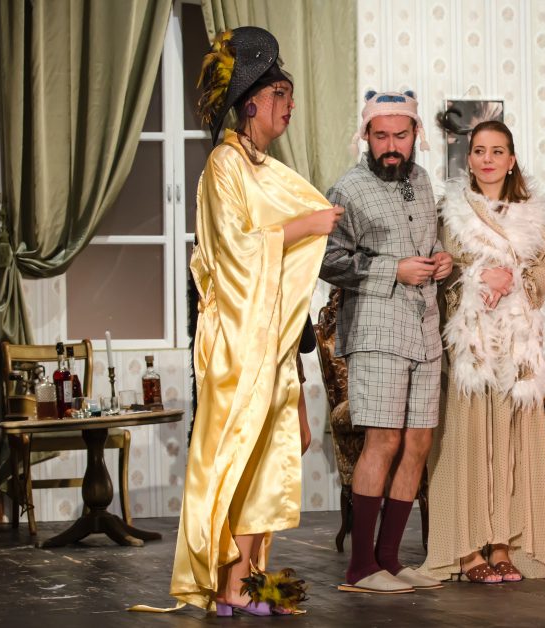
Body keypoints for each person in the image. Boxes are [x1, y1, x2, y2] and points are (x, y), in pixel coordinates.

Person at [160, 27, 342, 616]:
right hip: (237, 342)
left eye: (289, 94)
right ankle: (227, 583)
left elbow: (278, 268)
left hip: (271, 340)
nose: (290, 106)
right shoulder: (225, 165)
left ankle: (246, 578)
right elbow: (235, 250)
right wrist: (306, 226)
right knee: (238, 455)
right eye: (280, 94)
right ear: (251, 103)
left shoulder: (264, 168)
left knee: (269, 456)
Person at [320, 90, 453, 594]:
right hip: (377, 329)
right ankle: (361, 568)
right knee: (384, 440)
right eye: (381, 136)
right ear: (366, 136)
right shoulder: (347, 189)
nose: (391, 146)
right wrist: (392, 270)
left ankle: (391, 560)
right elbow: (327, 261)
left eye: (400, 135)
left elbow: (424, 241)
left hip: (425, 330)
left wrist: (440, 258)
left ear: (416, 134)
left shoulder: (421, 180)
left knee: (418, 442)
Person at [419, 121, 545, 583]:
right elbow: (442, 266)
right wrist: (481, 277)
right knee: (466, 441)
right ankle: (465, 550)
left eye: (497, 151)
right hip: (471, 342)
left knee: (509, 444)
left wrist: (511, 280)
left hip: (515, 344)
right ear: (469, 159)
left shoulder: (530, 213)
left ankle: (502, 544)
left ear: (511, 159)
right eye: (479, 150)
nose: (487, 159)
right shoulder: (452, 210)